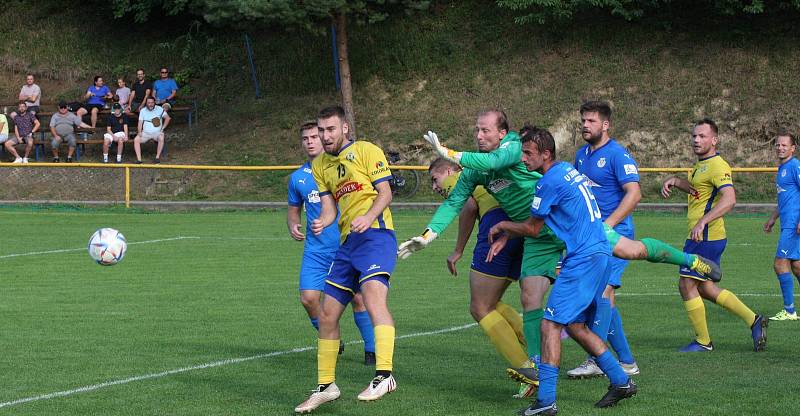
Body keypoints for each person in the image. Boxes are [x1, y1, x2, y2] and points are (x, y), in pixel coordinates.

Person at [399, 110, 564, 384]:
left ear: (502, 133)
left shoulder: (513, 145)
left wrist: (449, 152)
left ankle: (543, 367)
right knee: (530, 299)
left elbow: (495, 163)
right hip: (529, 234)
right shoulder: (476, 171)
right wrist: (427, 236)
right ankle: (543, 366)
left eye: (485, 130)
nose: (479, 135)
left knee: (621, 258)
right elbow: (454, 203)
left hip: (558, 222)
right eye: (477, 130)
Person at [488, 126, 636, 414]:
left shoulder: (548, 182)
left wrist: (505, 226)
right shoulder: (567, 169)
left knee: (549, 325)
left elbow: (533, 227)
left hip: (583, 258)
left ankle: (546, 401)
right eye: (521, 153)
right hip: (598, 253)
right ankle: (620, 380)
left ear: (546, 154)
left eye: (528, 154)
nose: (523, 159)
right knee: (575, 326)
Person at [294, 106, 397, 413]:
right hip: (348, 242)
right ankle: (327, 386)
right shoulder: (320, 165)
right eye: (321, 131)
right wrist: (323, 221)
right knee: (327, 314)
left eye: (330, 130)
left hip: (376, 236)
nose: (325, 136)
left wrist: (368, 216)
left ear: (345, 129)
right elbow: (329, 207)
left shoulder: (366, 151)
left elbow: (386, 192)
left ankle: (385, 375)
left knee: (374, 300)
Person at [428, 157, 531, 398]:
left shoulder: (466, 176)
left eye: (435, 179)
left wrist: (458, 250)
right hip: (520, 224)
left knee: (479, 307)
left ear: (452, 169)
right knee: (491, 303)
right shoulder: (487, 173)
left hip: (496, 224)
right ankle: (541, 353)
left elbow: (469, 206)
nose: (435, 187)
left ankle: (528, 370)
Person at [661, 118, 767, 352]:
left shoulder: (718, 165)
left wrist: (702, 222)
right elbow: (698, 191)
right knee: (705, 288)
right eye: (694, 136)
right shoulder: (701, 165)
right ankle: (753, 319)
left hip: (705, 237)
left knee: (686, 284)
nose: (696, 140)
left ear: (714, 140)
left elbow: (730, 199)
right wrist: (675, 181)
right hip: (702, 236)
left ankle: (703, 341)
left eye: (702, 136)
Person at [287, 120, 376, 365]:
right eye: (305, 139)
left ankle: (372, 350)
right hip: (315, 250)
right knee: (308, 298)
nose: (311, 142)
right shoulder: (298, 178)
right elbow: (293, 209)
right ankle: (332, 338)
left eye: (315, 136)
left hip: (345, 244)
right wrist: (293, 224)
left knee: (358, 298)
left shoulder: (342, 167)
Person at [568, 101, 640, 378]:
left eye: (591, 121)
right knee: (604, 300)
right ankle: (626, 361)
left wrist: (607, 226)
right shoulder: (581, 155)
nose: (585, 125)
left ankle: (596, 359)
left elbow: (634, 194)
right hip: (591, 237)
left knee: (602, 294)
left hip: (616, 235)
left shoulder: (617, 155)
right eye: (583, 120)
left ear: (606, 125)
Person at [763, 132, 800, 321]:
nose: (780, 148)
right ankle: (790, 310)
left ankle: (790, 311)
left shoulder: (794, 166)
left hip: (794, 225)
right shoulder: (782, 168)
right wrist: (773, 218)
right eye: (778, 145)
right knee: (797, 266)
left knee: (779, 264)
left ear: (793, 148)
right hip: (787, 222)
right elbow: (785, 199)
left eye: (784, 145)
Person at [134, 96, 169, 164]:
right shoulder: (143, 110)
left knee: (161, 137)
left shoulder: (160, 109)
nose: (150, 104)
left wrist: (163, 128)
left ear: (154, 102)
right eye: (149, 103)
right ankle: (139, 160)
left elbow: (167, 118)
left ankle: (157, 157)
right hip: (145, 133)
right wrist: (139, 132)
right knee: (136, 139)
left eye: (152, 102)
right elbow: (140, 122)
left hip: (157, 133)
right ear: (146, 103)